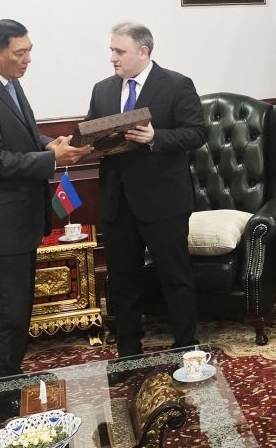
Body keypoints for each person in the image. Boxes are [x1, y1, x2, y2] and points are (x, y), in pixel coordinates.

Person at [0, 19, 90, 380]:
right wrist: (50, 159)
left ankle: (11, 376)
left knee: (17, 309)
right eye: (20, 53)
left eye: (29, 51)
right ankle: (1, 390)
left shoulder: (6, 82)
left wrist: (48, 144)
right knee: (5, 314)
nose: (28, 59)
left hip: (18, 219)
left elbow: (21, 135)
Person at [86, 21, 206, 357]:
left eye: (119, 51)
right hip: (117, 200)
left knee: (175, 278)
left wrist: (156, 137)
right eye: (111, 50)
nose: (112, 57)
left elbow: (197, 133)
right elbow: (94, 133)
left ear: (143, 51)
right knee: (122, 281)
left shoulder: (177, 85)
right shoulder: (102, 90)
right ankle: (128, 351)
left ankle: (186, 348)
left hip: (163, 200)